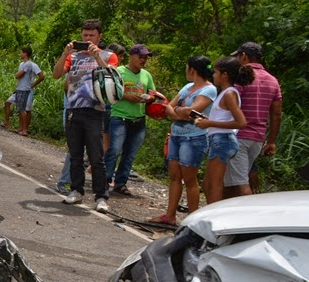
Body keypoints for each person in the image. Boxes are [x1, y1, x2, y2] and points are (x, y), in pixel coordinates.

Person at [52, 19, 118, 212]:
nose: (87, 38)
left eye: (91, 35)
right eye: (85, 35)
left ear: (99, 36)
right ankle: (76, 190)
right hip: (73, 109)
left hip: (96, 110)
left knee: (96, 156)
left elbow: (111, 76)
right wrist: (65, 53)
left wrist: (97, 57)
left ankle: (101, 196)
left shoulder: (109, 55)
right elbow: (56, 75)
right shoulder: (74, 57)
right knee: (75, 155)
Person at [153, 55, 217, 225]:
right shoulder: (188, 87)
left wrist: (178, 112)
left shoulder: (209, 90)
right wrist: (179, 113)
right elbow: (170, 107)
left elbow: (192, 112)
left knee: (190, 179)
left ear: (192, 69)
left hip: (193, 137)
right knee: (174, 175)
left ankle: (192, 220)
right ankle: (170, 215)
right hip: (176, 135)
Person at [224, 42, 282, 198]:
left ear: (244, 56)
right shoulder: (273, 80)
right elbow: (276, 114)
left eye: (238, 56)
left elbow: (231, 105)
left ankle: (247, 216)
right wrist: (271, 141)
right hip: (257, 139)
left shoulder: (242, 77)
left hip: (239, 136)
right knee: (231, 181)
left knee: (240, 183)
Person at [195, 56, 254, 204]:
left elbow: (241, 122)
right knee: (207, 184)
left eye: (215, 72)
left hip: (223, 140)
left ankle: (214, 221)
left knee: (214, 184)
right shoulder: (224, 92)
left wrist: (209, 123)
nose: (213, 76)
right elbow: (224, 117)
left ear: (224, 75)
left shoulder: (229, 94)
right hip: (218, 140)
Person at [105, 44, 156, 195]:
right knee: (114, 150)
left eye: (145, 57)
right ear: (131, 56)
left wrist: (148, 98)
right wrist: (126, 96)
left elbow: (153, 93)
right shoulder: (119, 71)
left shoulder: (146, 75)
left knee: (130, 154)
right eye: (140, 57)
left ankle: (121, 183)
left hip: (138, 119)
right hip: (119, 116)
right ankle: (105, 180)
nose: (143, 60)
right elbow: (109, 91)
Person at [7, 47, 44, 136]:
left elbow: (19, 75)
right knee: (19, 108)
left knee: (25, 109)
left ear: (25, 54)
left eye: (21, 52)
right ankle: (21, 128)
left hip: (26, 89)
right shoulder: (22, 64)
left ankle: (25, 129)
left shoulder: (29, 65)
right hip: (20, 88)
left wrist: (33, 84)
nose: (20, 54)